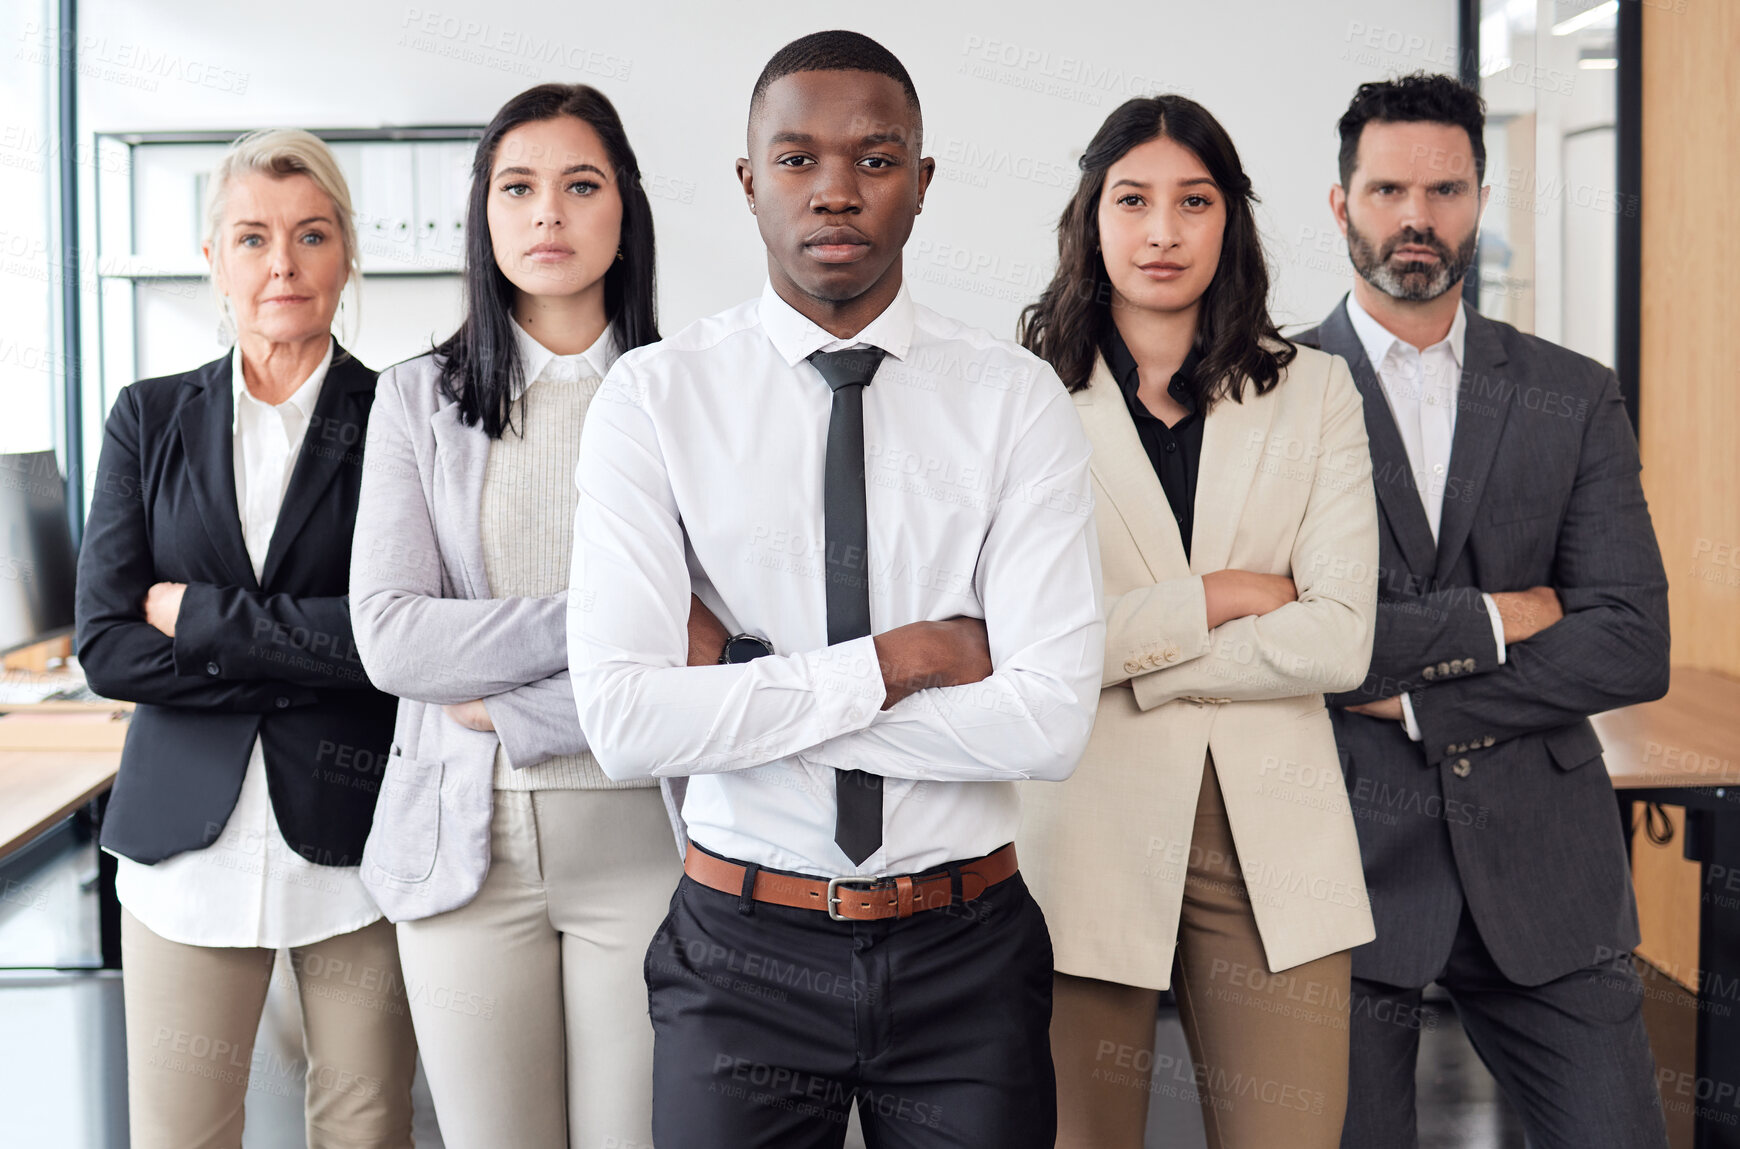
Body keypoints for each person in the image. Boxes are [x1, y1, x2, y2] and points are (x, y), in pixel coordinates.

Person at [567, 29, 1104, 1149]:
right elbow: (622, 721)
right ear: (749, 180)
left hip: (966, 948)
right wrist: (899, 664)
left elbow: (1049, 722)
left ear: (921, 183)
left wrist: (744, 694)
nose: (836, 191)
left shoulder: (1016, 401)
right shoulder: (653, 401)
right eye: (799, 159)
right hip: (740, 951)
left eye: (875, 158)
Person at [1293, 72, 1672, 1149]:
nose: (1418, 218)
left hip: (1549, 868)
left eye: (1447, 190)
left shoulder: (1573, 390)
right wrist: (1509, 618)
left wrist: (1420, 708)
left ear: (1481, 198)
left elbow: (1631, 643)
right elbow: (1296, 642)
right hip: (1340, 866)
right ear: (1341, 203)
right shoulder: (1268, 387)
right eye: (1389, 190)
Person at [1015, 95, 1379, 1149]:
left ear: (1232, 221)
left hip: (1276, 833)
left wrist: (1131, 657)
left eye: (1194, 201)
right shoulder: (1024, 398)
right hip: (1081, 832)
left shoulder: (1317, 392)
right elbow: (1026, 646)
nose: (1163, 231)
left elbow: (1341, 636)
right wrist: (1217, 597)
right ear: (1093, 218)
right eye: (1133, 201)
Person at [347, 83, 674, 1149]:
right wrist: (609, 623)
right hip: (462, 847)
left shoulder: (690, 396)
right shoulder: (416, 400)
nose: (548, 215)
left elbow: (717, 658)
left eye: (580, 187)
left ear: (624, 209)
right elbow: (394, 636)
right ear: (484, 218)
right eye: (518, 189)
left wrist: (516, 710)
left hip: (651, 840)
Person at [74, 128, 414, 1149]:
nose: (283, 264)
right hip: (184, 849)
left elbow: (396, 644)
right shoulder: (148, 419)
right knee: (184, 1134)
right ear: (214, 258)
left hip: (357, 839)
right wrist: (305, 656)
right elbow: (107, 647)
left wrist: (213, 623)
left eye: (311, 235)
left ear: (346, 253)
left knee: (365, 1129)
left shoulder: (403, 413)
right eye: (253, 237)